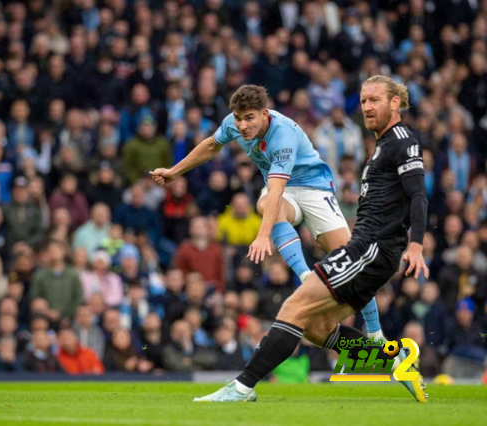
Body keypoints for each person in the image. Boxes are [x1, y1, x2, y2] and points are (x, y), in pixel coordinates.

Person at [192, 76, 428, 402]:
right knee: (315, 329)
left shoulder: (401, 141)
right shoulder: (384, 143)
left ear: (395, 102)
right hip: (369, 249)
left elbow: (418, 193)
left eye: (374, 100)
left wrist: (416, 244)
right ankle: (394, 358)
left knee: (294, 306)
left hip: (370, 249)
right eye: (362, 101)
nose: (366, 107)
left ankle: (243, 387)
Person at [151, 84, 387, 345]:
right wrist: (174, 171)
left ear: (264, 113)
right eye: (239, 118)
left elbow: (275, 191)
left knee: (350, 259)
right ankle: (306, 276)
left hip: (314, 189)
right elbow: (210, 145)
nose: (242, 125)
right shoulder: (232, 122)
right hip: (283, 192)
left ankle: (376, 335)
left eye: (249, 118)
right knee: (264, 205)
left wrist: (264, 236)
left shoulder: (282, 135)